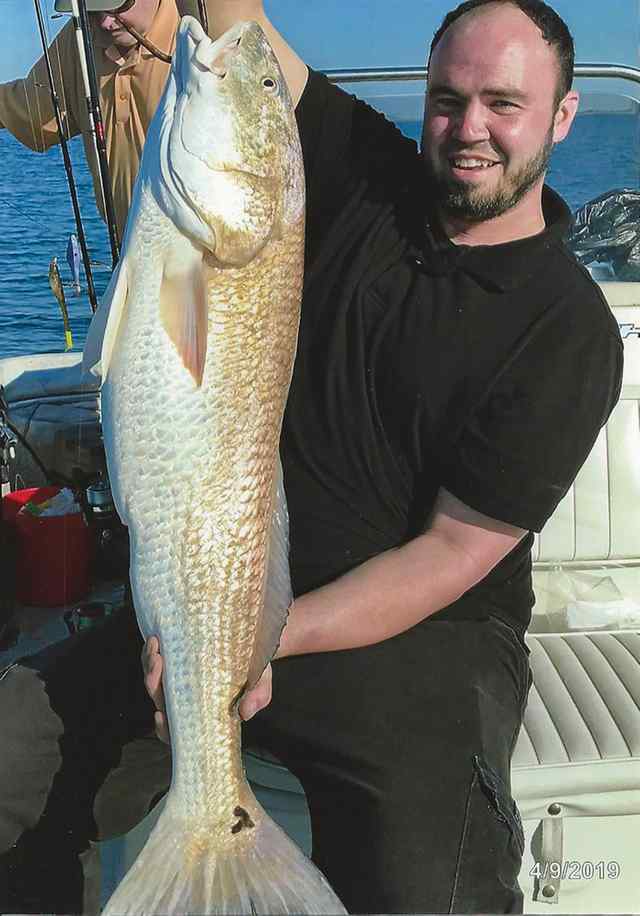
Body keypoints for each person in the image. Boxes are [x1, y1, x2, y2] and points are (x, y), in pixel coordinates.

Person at [0, 1, 623, 914]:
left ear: (563, 116)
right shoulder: (370, 175)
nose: (469, 129)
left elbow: (452, 557)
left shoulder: (569, 329)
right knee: (11, 755)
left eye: (504, 103)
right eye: (447, 100)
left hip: (418, 637)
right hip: (219, 580)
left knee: (432, 895)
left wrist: (261, 637)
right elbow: (237, 28)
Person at [0, 0, 180, 237]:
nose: (105, 22)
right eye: (94, 9)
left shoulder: (207, 29)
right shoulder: (82, 35)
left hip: (217, 264)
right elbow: (32, 109)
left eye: (118, 5)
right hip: (132, 260)